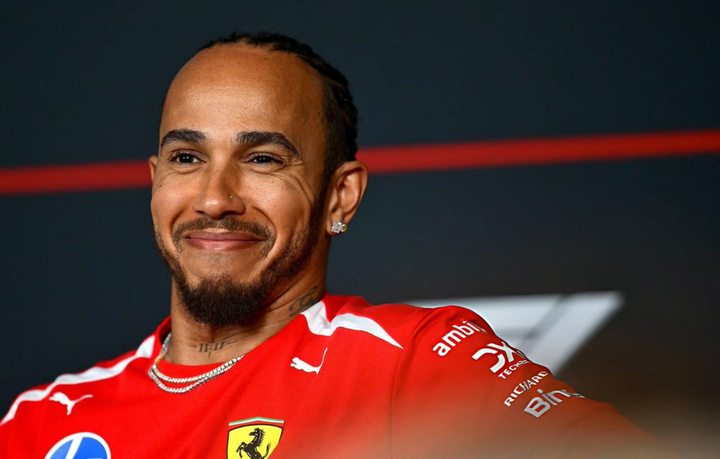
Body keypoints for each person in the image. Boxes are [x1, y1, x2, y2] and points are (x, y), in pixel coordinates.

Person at [0, 32, 668, 458]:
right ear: (155, 181)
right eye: (186, 158)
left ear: (339, 196)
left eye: (263, 159)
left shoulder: (414, 361)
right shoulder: (40, 424)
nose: (214, 197)